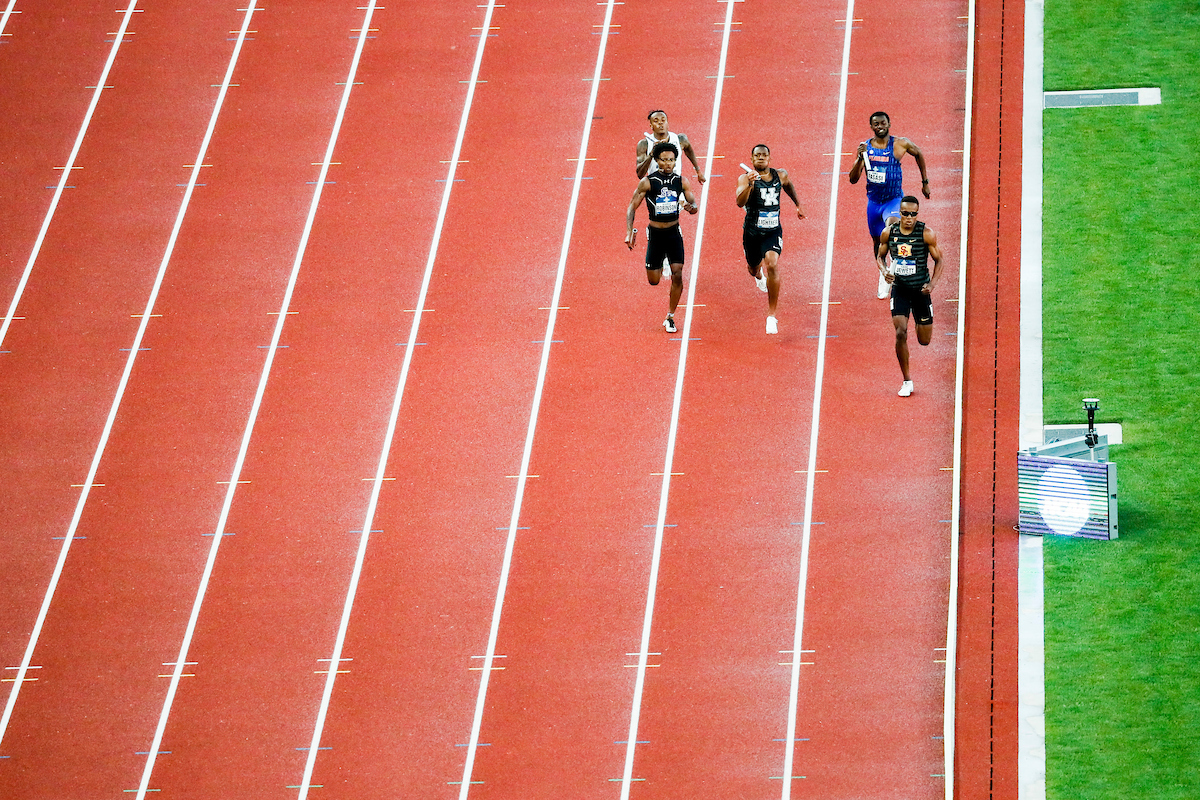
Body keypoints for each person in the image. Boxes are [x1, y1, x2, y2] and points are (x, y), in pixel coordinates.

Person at [848, 111, 930, 299]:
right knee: (878, 242)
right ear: (872, 127)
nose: (880, 126)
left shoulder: (900, 144)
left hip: (893, 200)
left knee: (892, 229)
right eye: (876, 124)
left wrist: (924, 181)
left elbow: (918, 154)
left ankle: (892, 276)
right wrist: (859, 158)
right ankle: (882, 271)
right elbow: (853, 179)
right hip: (874, 203)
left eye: (883, 123)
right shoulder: (865, 148)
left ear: (889, 123)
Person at [625, 142, 698, 333]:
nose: (668, 164)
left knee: (678, 273)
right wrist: (628, 231)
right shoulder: (648, 182)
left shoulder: (681, 181)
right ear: (657, 161)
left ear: (676, 161)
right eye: (664, 160)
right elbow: (632, 206)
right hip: (656, 234)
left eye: (671, 160)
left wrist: (692, 208)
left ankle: (670, 317)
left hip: (674, 233)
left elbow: (694, 205)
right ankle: (660, 262)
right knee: (654, 280)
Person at [877, 195, 943, 397]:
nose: (908, 218)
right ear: (900, 213)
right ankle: (907, 380)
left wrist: (932, 284)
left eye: (913, 214)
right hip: (900, 289)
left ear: (917, 214)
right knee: (900, 331)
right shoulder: (889, 233)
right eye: (905, 213)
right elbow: (880, 256)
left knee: (924, 341)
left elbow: (939, 260)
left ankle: (918, 318)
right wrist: (885, 270)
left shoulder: (926, 234)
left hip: (920, 291)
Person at [735, 144, 804, 334]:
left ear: (769, 159)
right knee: (752, 268)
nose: (761, 158)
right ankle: (758, 276)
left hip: (773, 230)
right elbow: (739, 202)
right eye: (757, 155)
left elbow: (788, 185)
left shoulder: (779, 175)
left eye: (764, 155)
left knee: (772, 263)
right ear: (751, 159)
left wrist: (798, 204)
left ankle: (771, 316)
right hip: (752, 232)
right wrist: (750, 184)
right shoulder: (744, 178)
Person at [636, 110, 707, 184]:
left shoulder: (680, 139)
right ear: (651, 126)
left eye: (663, 120)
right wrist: (651, 154)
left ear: (668, 124)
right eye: (656, 121)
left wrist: (698, 171)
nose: (660, 123)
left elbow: (689, 151)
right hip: (655, 187)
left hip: (675, 187)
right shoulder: (644, 144)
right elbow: (640, 174)